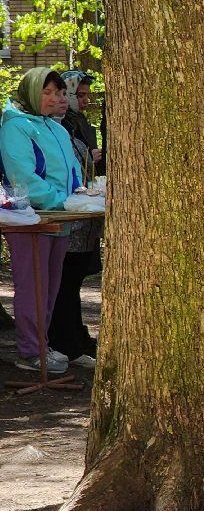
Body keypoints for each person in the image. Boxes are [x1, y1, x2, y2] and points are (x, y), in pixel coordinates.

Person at [0, 68, 82, 373]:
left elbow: (73, 172)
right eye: (46, 92)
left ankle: (41, 345)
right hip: (28, 220)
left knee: (50, 287)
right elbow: (23, 177)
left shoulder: (56, 128)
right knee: (32, 285)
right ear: (33, 92)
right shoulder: (15, 126)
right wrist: (61, 201)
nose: (53, 99)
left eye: (58, 93)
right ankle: (30, 351)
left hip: (60, 218)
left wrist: (79, 194)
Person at [48, 71, 103, 366]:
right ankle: (65, 343)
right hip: (65, 216)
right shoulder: (59, 125)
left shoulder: (75, 123)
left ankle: (74, 340)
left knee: (71, 283)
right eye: (77, 95)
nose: (84, 100)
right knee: (64, 285)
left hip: (82, 218)